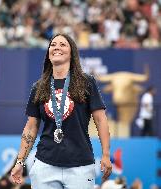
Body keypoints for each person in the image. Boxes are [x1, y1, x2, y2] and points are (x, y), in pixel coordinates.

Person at [10, 34, 112, 189]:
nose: (57, 47)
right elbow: (31, 127)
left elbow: (100, 120)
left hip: (80, 167)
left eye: (63, 45)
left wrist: (105, 154)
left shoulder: (86, 82)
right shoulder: (39, 87)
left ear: (72, 53)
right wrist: (20, 161)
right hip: (45, 165)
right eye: (53, 44)